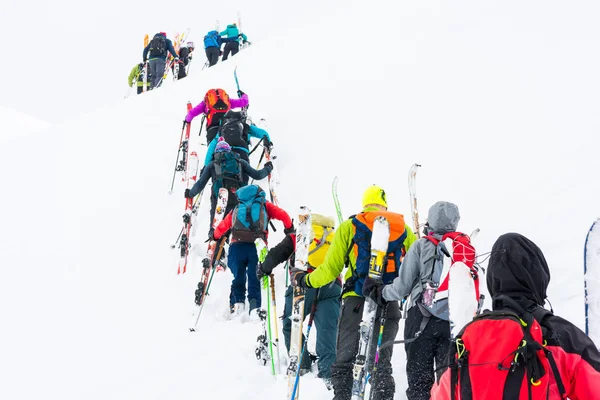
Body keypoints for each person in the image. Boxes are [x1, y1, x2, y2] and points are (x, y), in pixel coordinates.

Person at [430, 232, 600, 399]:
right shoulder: (562, 335)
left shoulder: (466, 339)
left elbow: (440, 394)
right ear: (538, 277)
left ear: (492, 280)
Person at [291, 185, 417, 400]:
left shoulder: (350, 226)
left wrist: (305, 280)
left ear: (364, 203)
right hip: (389, 302)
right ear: (384, 204)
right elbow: (414, 270)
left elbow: (330, 270)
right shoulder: (403, 229)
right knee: (380, 362)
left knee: (345, 359)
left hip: (355, 302)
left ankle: (342, 396)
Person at [362, 201, 460, 400]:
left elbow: (402, 287)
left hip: (421, 322)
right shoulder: (462, 249)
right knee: (447, 382)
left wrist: (380, 293)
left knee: (419, 382)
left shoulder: (421, 246)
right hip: (453, 323)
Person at [257, 213, 339, 388]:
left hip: (304, 283)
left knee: (290, 323)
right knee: (328, 329)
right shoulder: (334, 236)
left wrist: (263, 269)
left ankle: (302, 364)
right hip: (332, 286)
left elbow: (276, 254)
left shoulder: (299, 235)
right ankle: (328, 373)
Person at [212, 184, 293, 316]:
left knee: (238, 276)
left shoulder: (238, 207)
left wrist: (215, 237)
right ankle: (254, 307)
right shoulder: (264, 205)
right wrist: (289, 228)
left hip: (237, 246)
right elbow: (283, 215)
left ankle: (237, 304)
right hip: (257, 246)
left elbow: (222, 226)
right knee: (254, 277)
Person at [184, 138, 273, 236]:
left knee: (216, 227)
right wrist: (268, 168)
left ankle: (214, 236)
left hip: (219, 201)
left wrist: (190, 193)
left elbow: (201, 183)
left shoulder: (212, 164)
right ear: (229, 150)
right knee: (234, 227)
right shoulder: (240, 162)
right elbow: (257, 175)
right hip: (237, 200)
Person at [203, 110, 271, 167]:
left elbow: (212, 146)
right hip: (242, 154)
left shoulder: (223, 128)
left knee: (222, 175)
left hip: (224, 153)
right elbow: (263, 133)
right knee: (243, 177)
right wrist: (267, 142)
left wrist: (205, 166)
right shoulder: (246, 126)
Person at [184, 89, 249, 144]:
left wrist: (187, 120)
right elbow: (245, 102)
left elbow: (191, 113)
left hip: (213, 130)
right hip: (228, 129)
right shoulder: (228, 101)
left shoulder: (205, 104)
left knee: (213, 152)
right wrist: (243, 95)